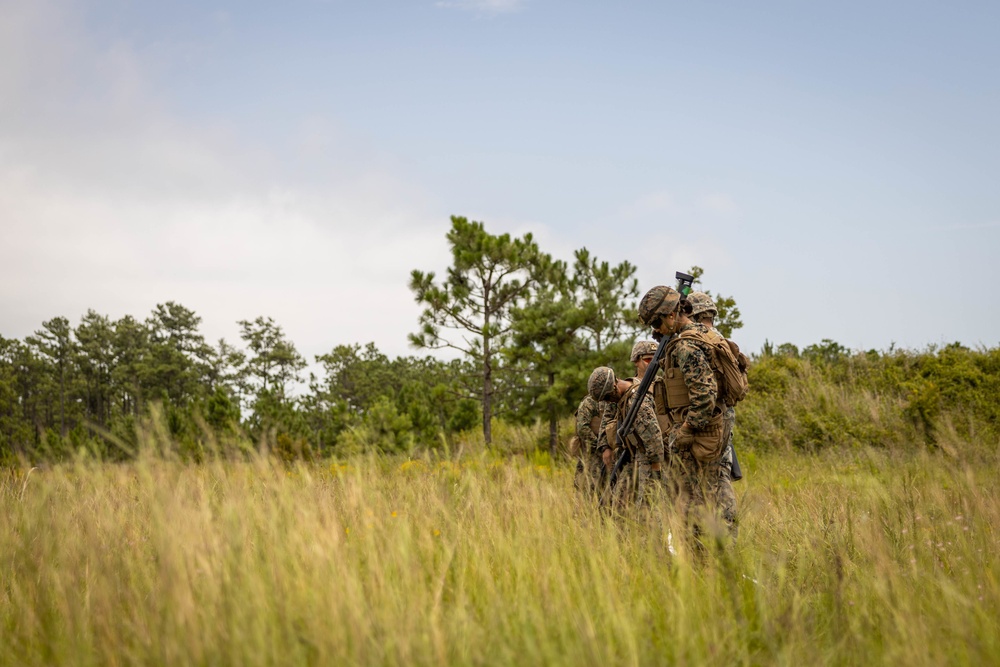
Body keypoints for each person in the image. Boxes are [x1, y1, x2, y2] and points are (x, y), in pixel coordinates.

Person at [637, 285, 735, 541]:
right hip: (716, 428)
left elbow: (704, 395)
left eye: (656, 323)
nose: (656, 331)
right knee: (711, 493)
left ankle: (700, 559)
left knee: (692, 501)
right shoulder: (705, 333)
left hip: (700, 433)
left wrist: (686, 431)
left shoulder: (686, 347)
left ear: (671, 315)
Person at [686, 292, 739, 534]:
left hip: (710, 419)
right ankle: (727, 531)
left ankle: (715, 533)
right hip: (726, 415)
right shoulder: (721, 340)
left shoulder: (698, 341)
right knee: (722, 475)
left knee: (707, 481)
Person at [588, 366, 664, 509]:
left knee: (648, 502)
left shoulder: (636, 401)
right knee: (619, 499)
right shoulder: (616, 398)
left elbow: (653, 437)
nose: (608, 401)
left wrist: (655, 466)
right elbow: (607, 419)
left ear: (615, 386)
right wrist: (605, 447)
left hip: (647, 455)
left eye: (607, 397)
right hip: (629, 452)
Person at [572, 393, 606, 495]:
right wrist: (601, 445)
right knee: (587, 489)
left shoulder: (613, 401)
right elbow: (582, 428)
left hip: (608, 454)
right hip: (591, 454)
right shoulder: (590, 402)